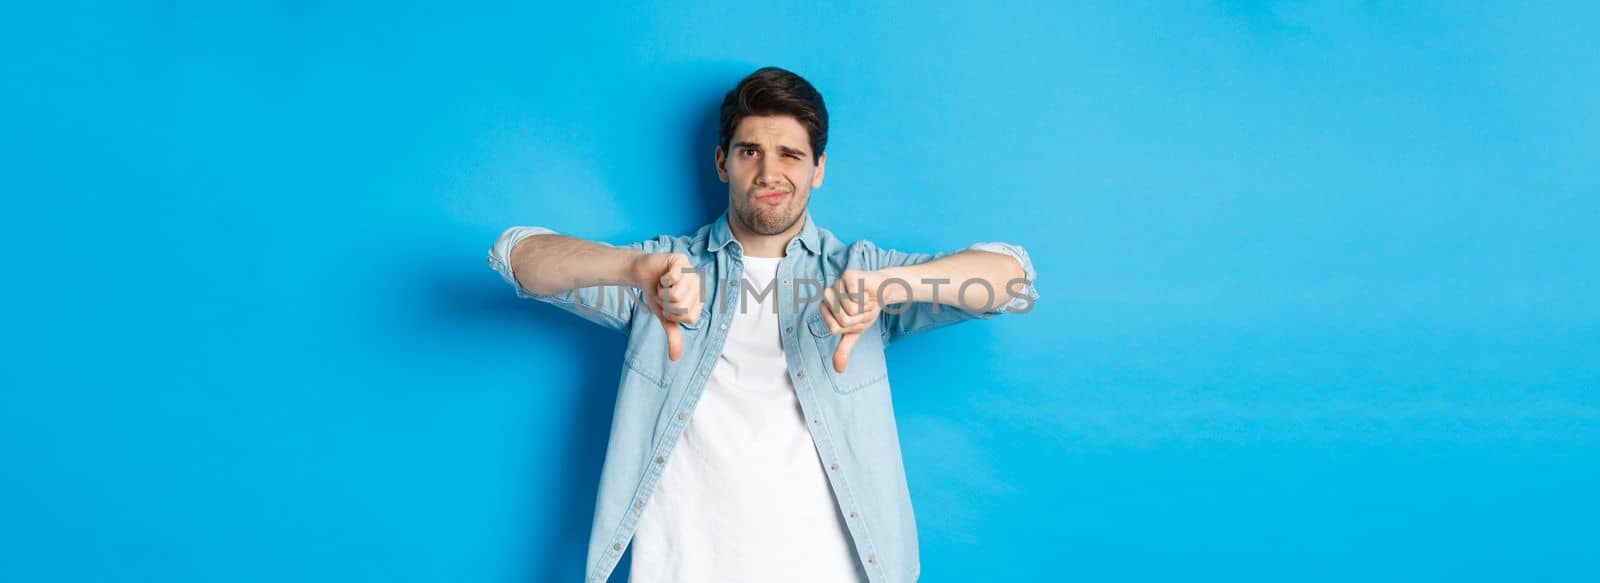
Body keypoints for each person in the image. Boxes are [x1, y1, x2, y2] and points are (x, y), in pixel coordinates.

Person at [486, 66, 1038, 583]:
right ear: (723, 162)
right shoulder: (665, 271)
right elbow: (518, 255)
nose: (770, 172)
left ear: (818, 169)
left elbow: (1011, 275)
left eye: (790, 155)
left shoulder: (861, 273)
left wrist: (888, 287)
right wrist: (630, 269)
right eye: (751, 151)